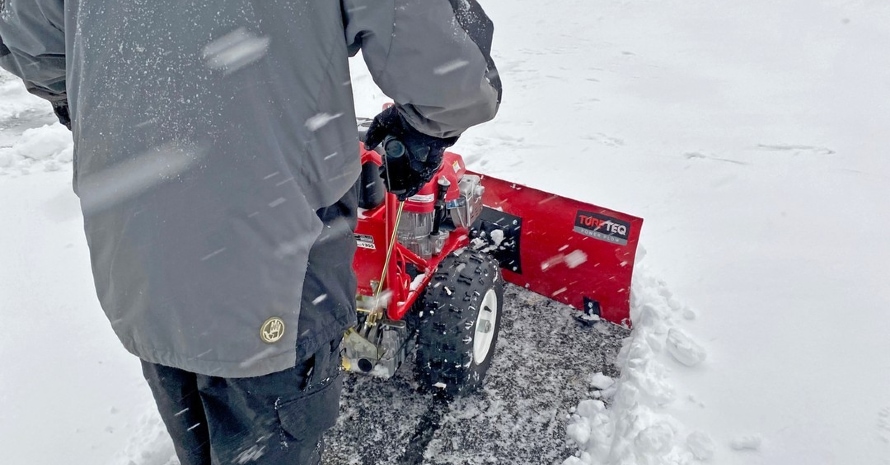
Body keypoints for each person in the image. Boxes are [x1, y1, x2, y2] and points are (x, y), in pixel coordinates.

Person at [0, 0, 501, 463]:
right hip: (274, 267)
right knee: (267, 433)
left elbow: (26, 34)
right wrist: (423, 130)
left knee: (195, 424)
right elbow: (443, 62)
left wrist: (94, 105)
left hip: (138, 253)